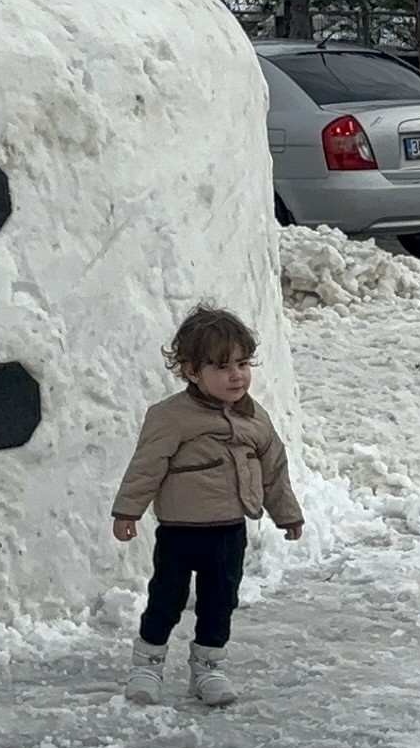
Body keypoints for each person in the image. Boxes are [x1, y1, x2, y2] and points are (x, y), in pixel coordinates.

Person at [109, 303, 303, 706]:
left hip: (230, 530)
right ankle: (147, 663)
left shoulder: (255, 419)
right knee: (167, 597)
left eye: (243, 363)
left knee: (220, 600)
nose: (237, 375)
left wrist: (286, 514)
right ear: (192, 372)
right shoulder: (171, 417)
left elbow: (274, 469)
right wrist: (128, 510)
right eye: (221, 367)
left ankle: (208, 669)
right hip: (181, 530)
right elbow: (146, 466)